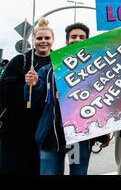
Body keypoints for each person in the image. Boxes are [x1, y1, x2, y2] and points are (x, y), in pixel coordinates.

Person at [24, 23, 110, 175]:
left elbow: (103, 102)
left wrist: (104, 132)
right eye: (73, 37)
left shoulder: (96, 69)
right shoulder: (48, 70)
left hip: (79, 139)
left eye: (81, 37)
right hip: (52, 137)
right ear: (66, 41)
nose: (77, 39)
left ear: (86, 41)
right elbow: (33, 99)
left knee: (78, 172)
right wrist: (33, 85)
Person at [0, 19, 54, 175]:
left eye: (47, 38)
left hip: (45, 130)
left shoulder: (59, 62)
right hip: (17, 132)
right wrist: (26, 87)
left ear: (52, 40)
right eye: (39, 38)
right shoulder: (20, 61)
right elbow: (5, 92)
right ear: (33, 40)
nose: (43, 41)